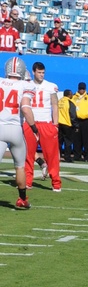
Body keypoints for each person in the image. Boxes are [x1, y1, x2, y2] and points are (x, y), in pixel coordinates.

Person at [20, 59, 61, 192]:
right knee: (28, 153)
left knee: (52, 155)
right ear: (33, 72)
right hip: (31, 122)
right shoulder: (26, 85)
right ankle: (28, 181)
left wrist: (56, 124)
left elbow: (55, 105)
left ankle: (56, 183)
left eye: (43, 72)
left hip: (46, 122)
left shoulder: (50, 86)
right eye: (39, 72)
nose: (41, 75)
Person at [0, 54, 31, 207]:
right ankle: (22, 199)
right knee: (19, 166)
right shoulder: (25, 85)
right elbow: (25, 108)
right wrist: (33, 126)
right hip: (15, 129)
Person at [72, 81, 88, 161]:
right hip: (77, 121)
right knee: (77, 139)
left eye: (83, 89)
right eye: (80, 89)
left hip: (87, 121)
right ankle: (77, 155)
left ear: (85, 89)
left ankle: (87, 157)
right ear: (78, 89)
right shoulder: (73, 97)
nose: (81, 90)